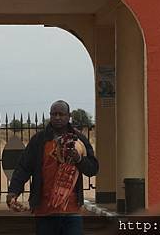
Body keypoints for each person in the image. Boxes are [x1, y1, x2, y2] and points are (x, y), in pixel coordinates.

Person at [6, 100, 99, 235]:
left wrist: (78, 159)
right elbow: (23, 168)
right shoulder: (39, 140)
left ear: (69, 116)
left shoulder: (79, 140)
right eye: (54, 114)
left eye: (61, 114)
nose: (57, 117)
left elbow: (92, 169)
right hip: (44, 209)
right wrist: (13, 192)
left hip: (71, 210)